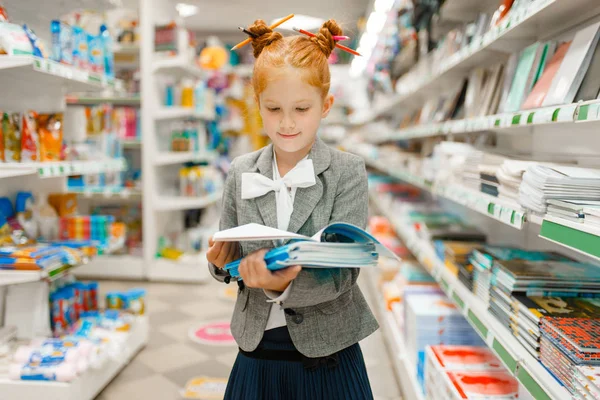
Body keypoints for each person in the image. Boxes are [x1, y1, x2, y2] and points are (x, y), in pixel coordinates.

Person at [206, 18, 379, 400]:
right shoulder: (241, 171)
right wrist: (221, 263)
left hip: (328, 353)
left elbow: (344, 275)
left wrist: (280, 283)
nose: (286, 123)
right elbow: (229, 262)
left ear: (326, 105)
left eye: (301, 108)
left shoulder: (347, 171)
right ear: (258, 105)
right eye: (273, 109)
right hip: (257, 351)